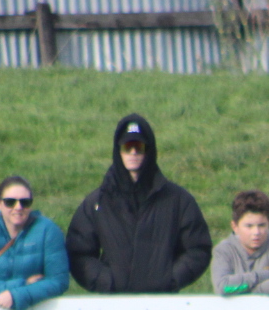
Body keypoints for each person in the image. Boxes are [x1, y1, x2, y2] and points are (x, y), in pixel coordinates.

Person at [66, 114, 211, 294]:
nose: (133, 153)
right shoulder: (97, 202)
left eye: (139, 147)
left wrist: (170, 279)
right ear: (118, 151)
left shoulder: (178, 200)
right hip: (115, 305)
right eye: (128, 147)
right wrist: (106, 282)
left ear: (149, 151)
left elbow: (198, 249)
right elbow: (78, 252)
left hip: (163, 304)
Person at [0, 176, 69, 310]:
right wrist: (21, 285)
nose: (18, 207)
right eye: (10, 202)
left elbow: (58, 281)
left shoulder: (48, 230)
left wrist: (17, 296)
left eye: (25, 202)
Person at [210, 189, 269, 296]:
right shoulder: (223, 250)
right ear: (235, 227)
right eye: (249, 226)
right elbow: (223, 288)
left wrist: (248, 292)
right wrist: (260, 276)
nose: (256, 232)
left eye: (262, 225)